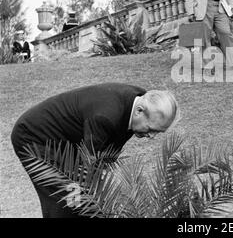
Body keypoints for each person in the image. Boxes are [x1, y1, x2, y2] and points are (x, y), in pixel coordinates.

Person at [10, 83, 179, 218]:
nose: (151, 136)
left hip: (69, 142)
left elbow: (102, 159)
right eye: (150, 129)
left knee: (82, 201)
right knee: (64, 200)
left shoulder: (140, 99)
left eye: (158, 132)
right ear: (139, 111)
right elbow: (89, 166)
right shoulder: (105, 117)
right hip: (34, 138)